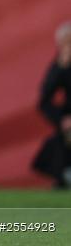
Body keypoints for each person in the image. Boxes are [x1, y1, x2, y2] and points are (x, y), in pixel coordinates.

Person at [32, 22, 71, 188]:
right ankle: (65, 176)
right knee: (60, 145)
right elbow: (44, 100)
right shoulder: (60, 67)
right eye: (64, 44)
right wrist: (62, 120)